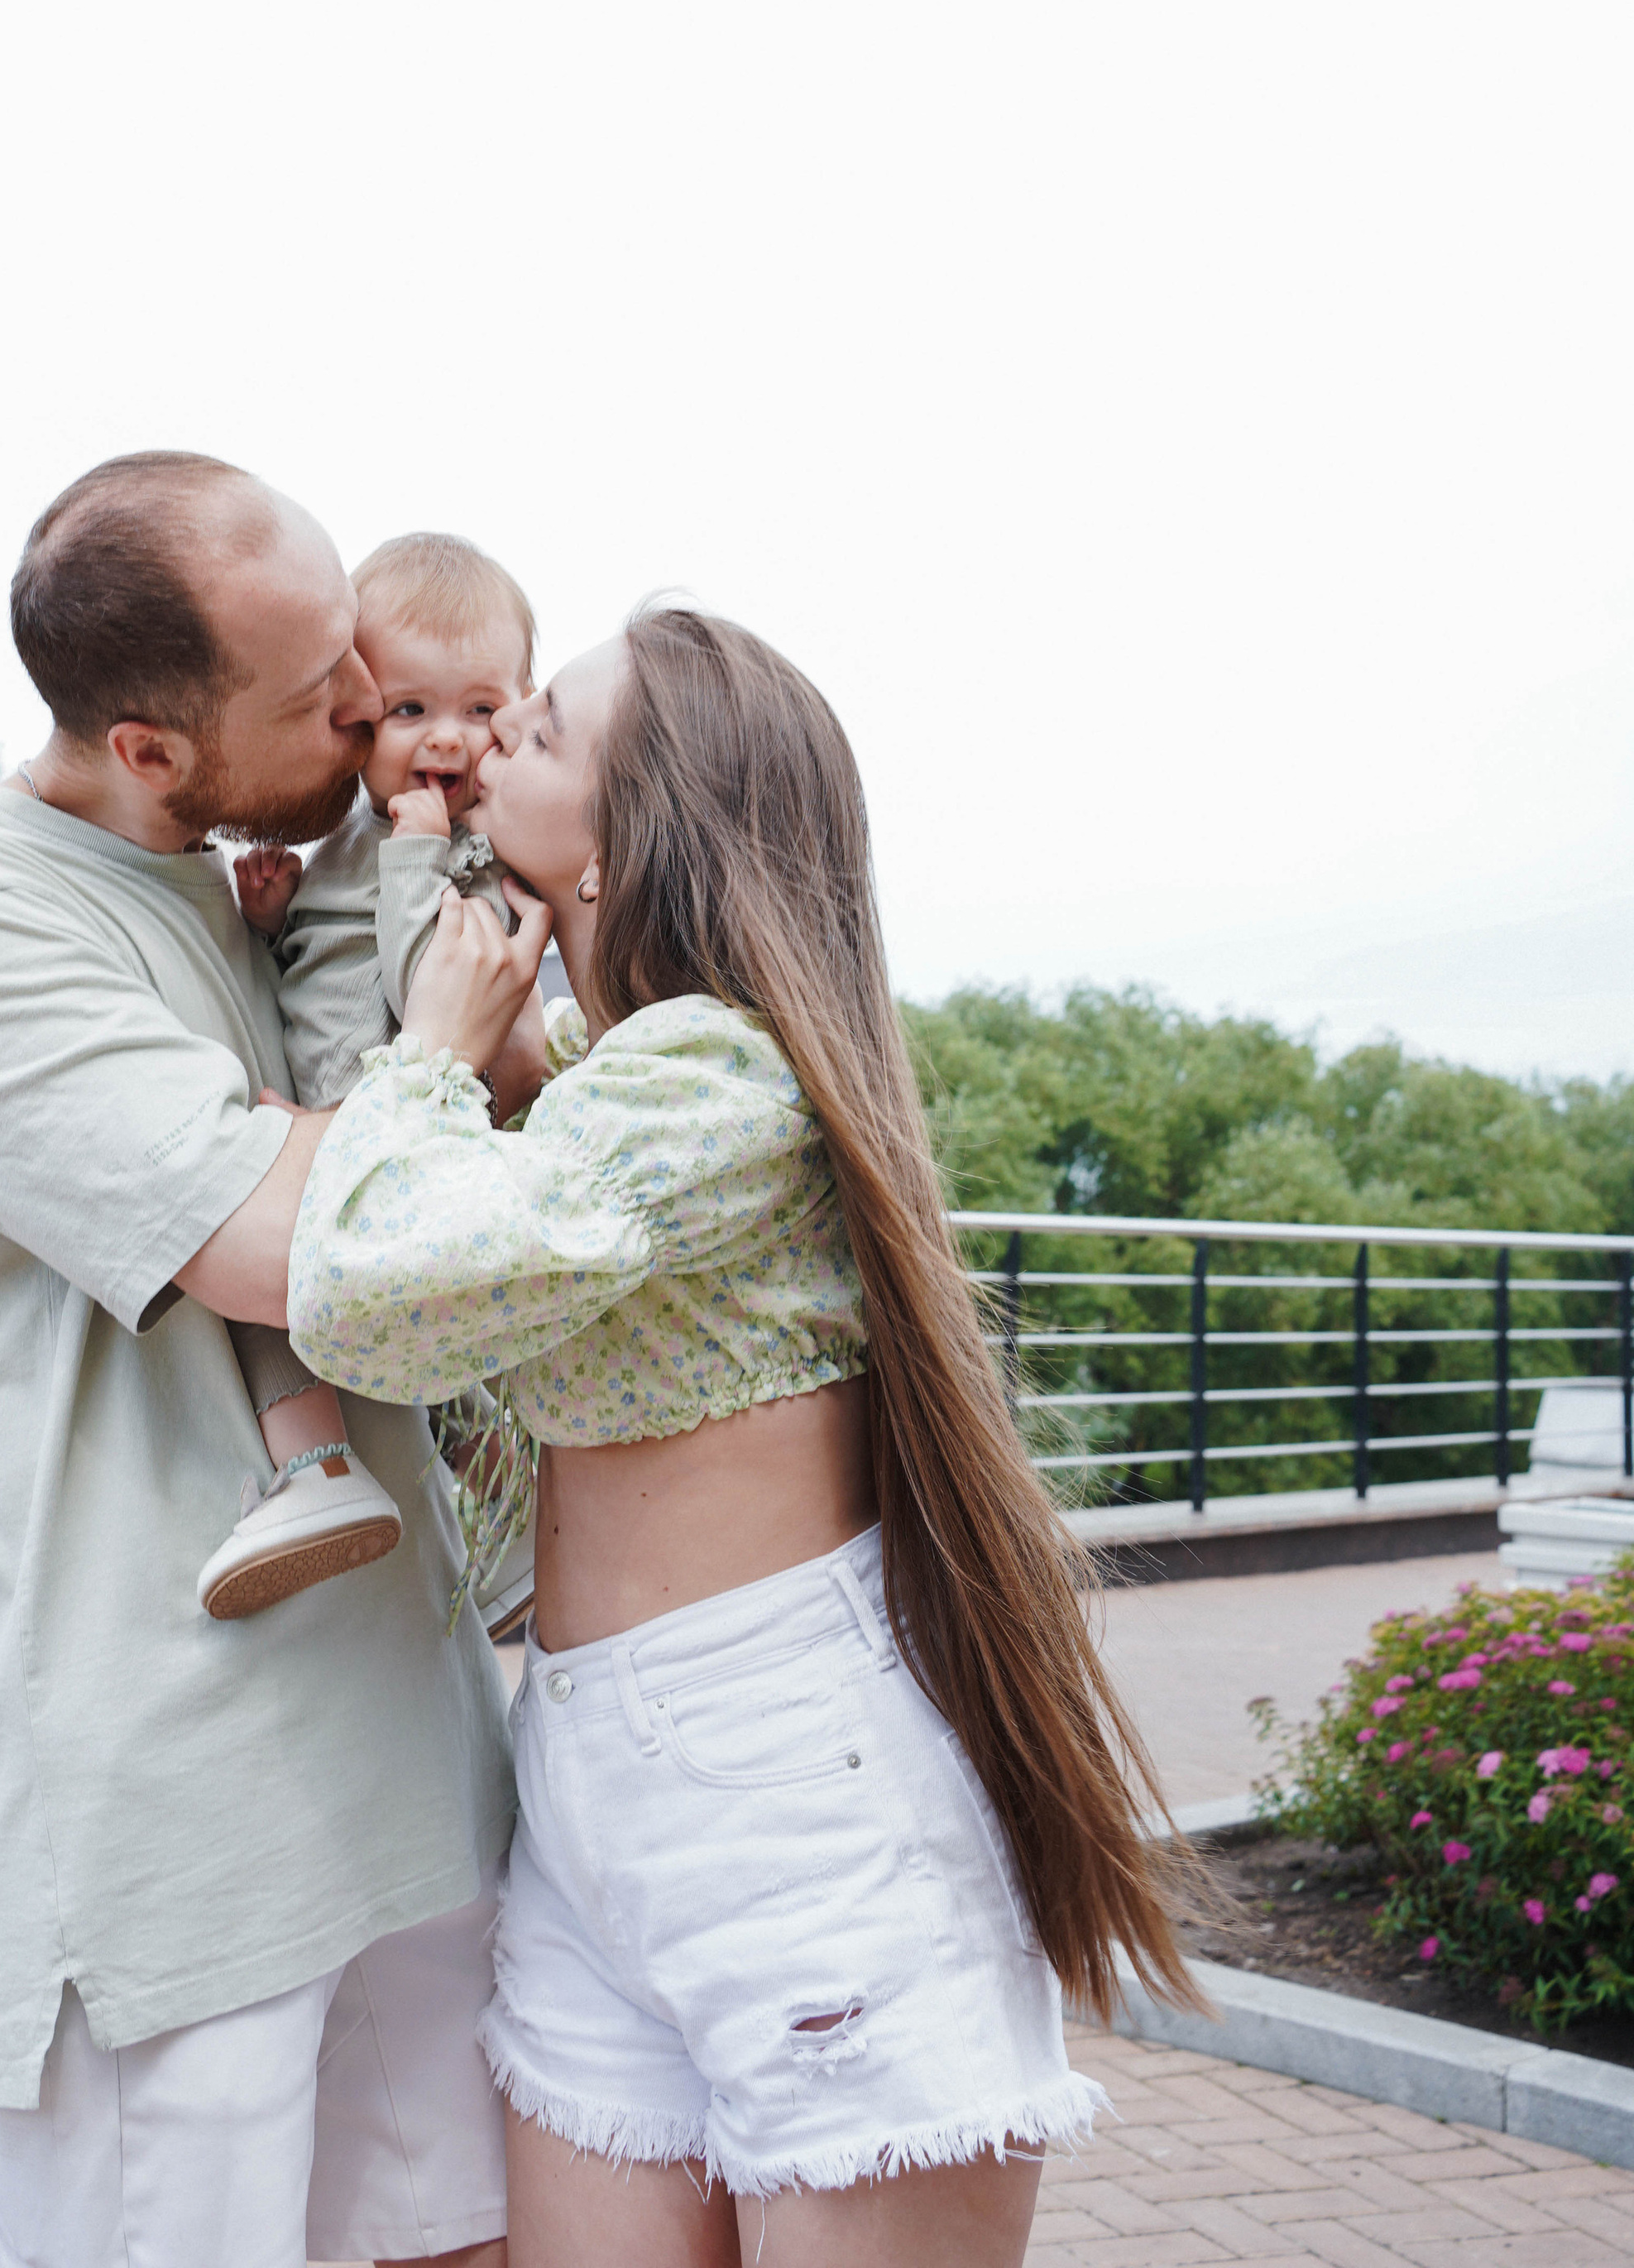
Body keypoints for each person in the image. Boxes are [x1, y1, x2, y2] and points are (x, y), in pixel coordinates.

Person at [276, 607, 1196, 2268]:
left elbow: (367, 1299)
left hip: (786, 1786)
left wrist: (420, 1051)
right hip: (593, 1780)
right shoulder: (630, 1080)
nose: (489, 746)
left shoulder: (711, 1078)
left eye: (539, 731)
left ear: (631, 845)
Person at [0, 451, 515, 2268]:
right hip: (175, 1818)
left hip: (401, 1760)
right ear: (149, 745)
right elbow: (303, 1250)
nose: (373, 708)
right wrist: (437, 1056)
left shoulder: (251, 888)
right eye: (320, 696)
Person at [199, 529, 536, 1620]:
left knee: (455, 1362)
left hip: (402, 1122)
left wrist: (423, 849)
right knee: (245, 1269)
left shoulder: (477, 848)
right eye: (410, 712)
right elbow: (315, 963)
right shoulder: (359, 833)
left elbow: (426, 972)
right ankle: (318, 1469)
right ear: (355, 711)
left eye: (481, 711)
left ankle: (509, 1511)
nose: (447, 739)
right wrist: (271, 913)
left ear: (521, 713)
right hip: (319, 1112)